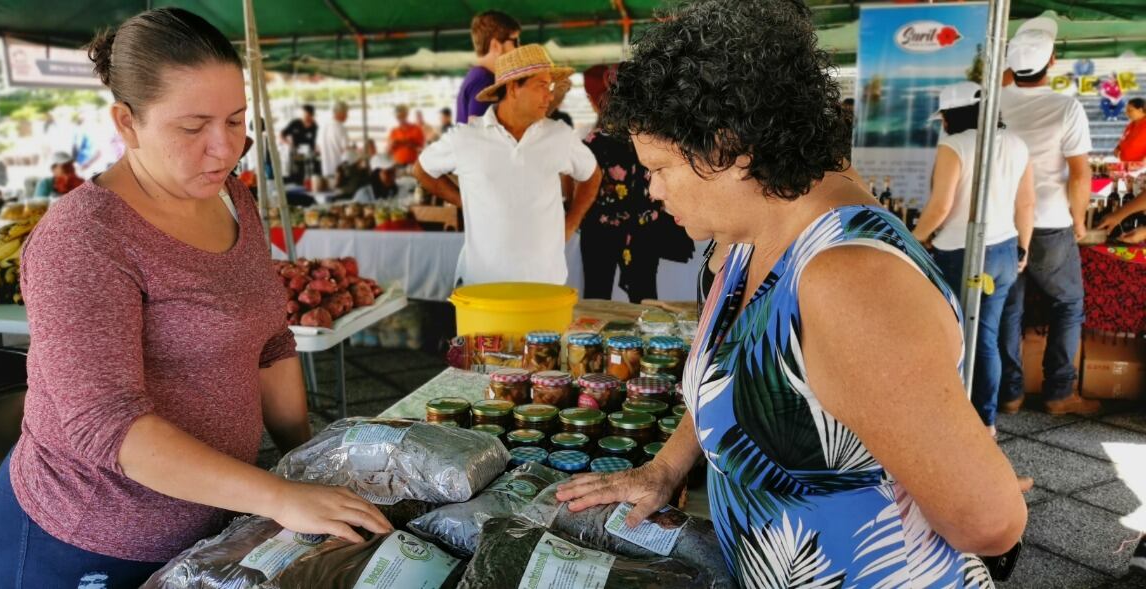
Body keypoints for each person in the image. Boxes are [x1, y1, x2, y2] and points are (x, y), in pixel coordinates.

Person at [556, 3, 1026, 587]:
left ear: (727, 148)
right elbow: (735, 381)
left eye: (657, 167)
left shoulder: (847, 281)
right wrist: (665, 467)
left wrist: (957, 467)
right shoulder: (748, 235)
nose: (651, 189)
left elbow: (990, 522)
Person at [0, 9, 390, 588]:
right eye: (192, 127)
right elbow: (108, 426)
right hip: (94, 537)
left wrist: (308, 461)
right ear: (127, 122)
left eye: (235, 120)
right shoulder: (84, 239)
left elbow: (270, 341)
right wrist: (278, 494)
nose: (222, 149)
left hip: (220, 517)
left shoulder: (231, 197)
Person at [415, 45, 602, 286]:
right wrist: (464, 199)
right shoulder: (465, 138)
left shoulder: (559, 135)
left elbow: (592, 175)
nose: (549, 95)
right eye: (541, 86)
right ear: (514, 87)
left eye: (550, 86)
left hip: (545, 283)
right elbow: (421, 170)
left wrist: (572, 222)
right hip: (483, 284)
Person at [912, 81, 1035, 435]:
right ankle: (985, 419)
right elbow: (1026, 203)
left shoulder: (954, 145)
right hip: (1005, 251)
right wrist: (1022, 249)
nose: (942, 125)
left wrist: (916, 238)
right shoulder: (1016, 143)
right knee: (987, 335)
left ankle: (966, 422)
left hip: (962, 254)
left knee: (958, 337)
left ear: (952, 117)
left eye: (944, 118)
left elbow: (941, 206)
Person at [998, 15, 1100, 416]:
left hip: (1003, 220)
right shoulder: (1065, 107)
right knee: (1068, 305)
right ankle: (1060, 393)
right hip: (1050, 222)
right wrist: (1080, 221)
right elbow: (1080, 174)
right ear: (1052, 62)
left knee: (1010, 308)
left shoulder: (996, 102)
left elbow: (1006, 78)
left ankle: (1009, 393)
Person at [579, 63, 692, 303]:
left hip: (602, 230)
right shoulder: (649, 135)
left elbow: (577, 186)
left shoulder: (593, 141)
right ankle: (648, 338)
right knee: (644, 296)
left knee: (597, 296)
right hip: (644, 228)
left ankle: (592, 341)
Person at [456, 10, 520, 124]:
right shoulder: (484, 80)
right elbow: (479, 134)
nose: (519, 49)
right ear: (496, 45)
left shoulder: (478, 75)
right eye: (515, 42)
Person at [280, 104, 318, 183]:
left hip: (308, 153)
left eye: (307, 115)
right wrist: (288, 143)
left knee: (309, 173)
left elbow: (315, 142)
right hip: (295, 152)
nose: (305, 117)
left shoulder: (314, 126)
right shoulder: (295, 123)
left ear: (311, 115)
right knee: (296, 173)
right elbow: (282, 134)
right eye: (304, 114)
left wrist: (315, 150)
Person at [316, 101, 351, 180]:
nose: (347, 116)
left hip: (325, 170)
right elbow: (346, 150)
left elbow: (318, 148)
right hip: (339, 171)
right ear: (340, 113)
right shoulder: (341, 128)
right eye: (346, 113)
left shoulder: (323, 126)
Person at [1115, 97, 1146, 163]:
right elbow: (1124, 138)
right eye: (1126, 111)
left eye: (1130, 110)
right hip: (1126, 163)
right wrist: (1118, 147)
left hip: (1141, 168)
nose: (1127, 113)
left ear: (1140, 110)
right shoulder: (1132, 124)